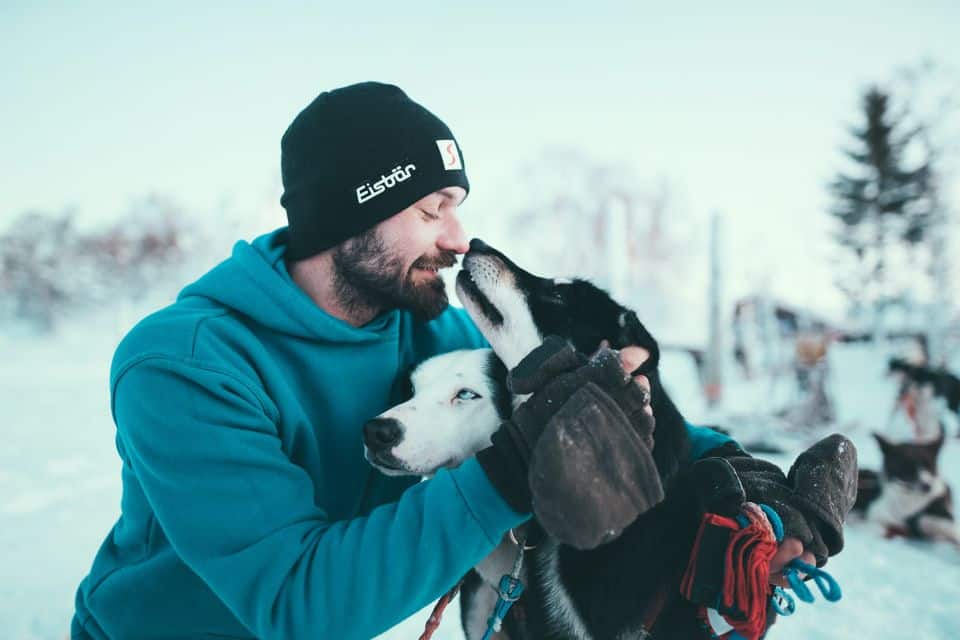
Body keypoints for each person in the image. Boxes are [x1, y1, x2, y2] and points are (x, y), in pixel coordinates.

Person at [71, 82, 846, 640]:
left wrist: (748, 476)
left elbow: (580, 415)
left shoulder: (427, 336)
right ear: (347, 218)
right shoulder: (186, 365)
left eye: (456, 207)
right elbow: (297, 603)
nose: (458, 239)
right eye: (429, 210)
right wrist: (514, 468)